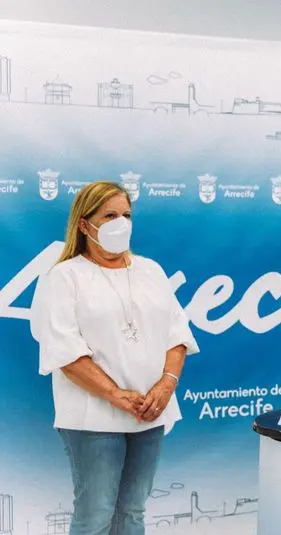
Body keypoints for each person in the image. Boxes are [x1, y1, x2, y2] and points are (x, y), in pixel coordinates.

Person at [29, 181, 199, 535]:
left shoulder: (150, 270)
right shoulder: (64, 277)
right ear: (84, 224)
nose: (120, 222)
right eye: (109, 215)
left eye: (126, 215)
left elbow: (177, 334)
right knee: (95, 515)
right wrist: (116, 395)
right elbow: (65, 351)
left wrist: (167, 385)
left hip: (149, 414)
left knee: (133, 512)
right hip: (93, 421)